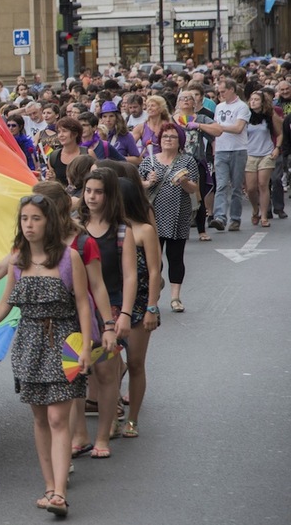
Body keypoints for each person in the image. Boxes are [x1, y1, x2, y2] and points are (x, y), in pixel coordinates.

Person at [0, 194, 92, 517]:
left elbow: (83, 303)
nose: (29, 225)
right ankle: (48, 486)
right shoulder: (17, 261)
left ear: (50, 223)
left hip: (64, 342)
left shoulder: (68, 259)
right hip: (29, 345)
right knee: (40, 418)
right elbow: (5, 305)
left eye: (36, 219)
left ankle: (59, 492)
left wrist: (87, 345)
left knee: (59, 418)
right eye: (25, 219)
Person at [77, 168, 136, 459]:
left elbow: (129, 276)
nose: (92, 197)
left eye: (98, 192)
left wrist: (124, 314)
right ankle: (79, 435)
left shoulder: (122, 230)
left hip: (109, 307)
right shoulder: (74, 226)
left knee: (105, 372)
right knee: (74, 371)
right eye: (88, 191)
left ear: (109, 194)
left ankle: (104, 433)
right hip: (76, 308)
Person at [116, 178, 161, 438]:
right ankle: (110, 415)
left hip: (141, 303)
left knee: (134, 362)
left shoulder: (144, 230)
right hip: (112, 304)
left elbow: (155, 272)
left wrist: (152, 308)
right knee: (107, 365)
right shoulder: (109, 229)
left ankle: (132, 418)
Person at [138, 123, 199, 313]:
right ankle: (153, 295)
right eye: (165, 136)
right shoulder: (149, 161)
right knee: (153, 259)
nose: (168, 140)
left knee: (175, 257)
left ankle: (175, 298)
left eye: (173, 137)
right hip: (152, 216)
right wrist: (149, 182)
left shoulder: (187, 161)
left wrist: (184, 182)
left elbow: (194, 189)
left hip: (178, 215)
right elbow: (137, 187)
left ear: (179, 140)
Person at [194, 78, 250, 232]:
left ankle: (235, 219)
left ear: (232, 89)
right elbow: (215, 128)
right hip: (221, 149)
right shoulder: (219, 107)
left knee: (236, 186)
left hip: (238, 149)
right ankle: (220, 217)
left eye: (223, 91)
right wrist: (214, 140)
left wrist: (219, 128)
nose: (221, 94)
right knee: (221, 185)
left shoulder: (242, 107)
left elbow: (238, 128)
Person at [174, 92, 215, 241]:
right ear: (178, 103)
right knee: (175, 196)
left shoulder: (201, 118)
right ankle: (177, 231)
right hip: (176, 162)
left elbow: (218, 130)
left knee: (198, 196)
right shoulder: (172, 120)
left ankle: (201, 230)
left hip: (197, 162)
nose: (185, 101)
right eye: (182, 98)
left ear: (194, 103)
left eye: (189, 98)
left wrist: (199, 126)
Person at [243, 90, 283, 228]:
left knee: (263, 184)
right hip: (249, 154)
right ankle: (255, 209)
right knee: (251, 188)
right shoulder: (245, 116)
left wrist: (277, 148)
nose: (253, 102)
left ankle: (264, 216)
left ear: (262, 102)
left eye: (256, 99)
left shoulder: (270, 115)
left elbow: (279, 133)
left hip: (266, 153)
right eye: (251, 99)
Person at [47, 118, 94, 186]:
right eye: (59, 132)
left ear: (75, 134)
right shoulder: (53, 156)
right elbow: (52, 183)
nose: (61, 135)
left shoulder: (88, 153)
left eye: (64, 131)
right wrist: (51, 179)